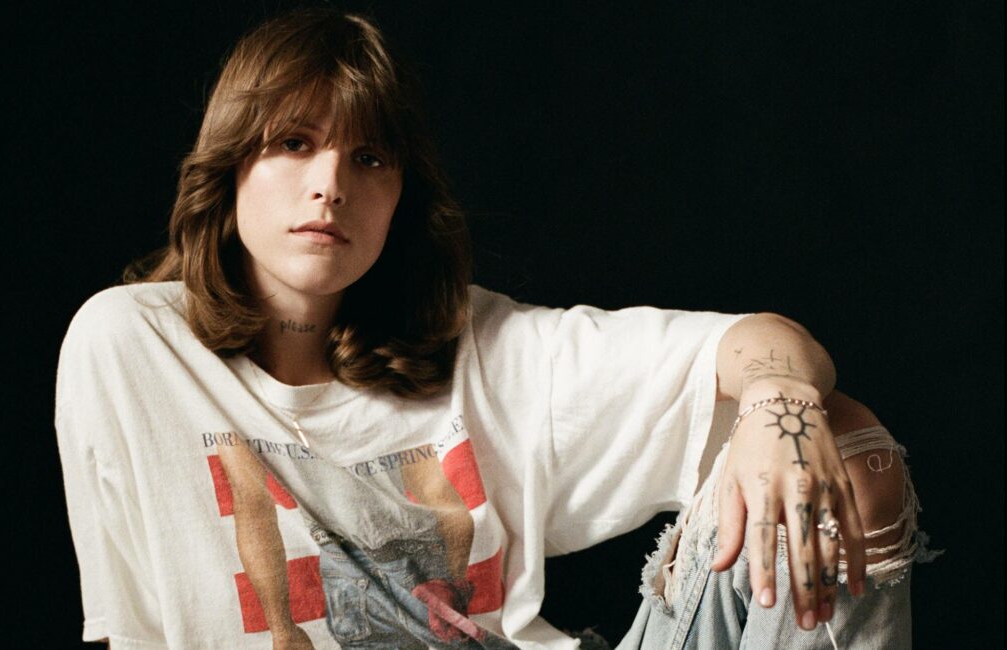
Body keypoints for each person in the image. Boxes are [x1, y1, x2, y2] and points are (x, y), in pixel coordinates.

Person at [55, 7, 936, 649]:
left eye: (368, 157)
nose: (330, 185)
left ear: (400, 196)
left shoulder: (479, 347)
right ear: (232, 163)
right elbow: (129, 628)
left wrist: (781, 400)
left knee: (844, 451)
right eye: (292, 144)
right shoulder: (131, 347)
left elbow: (758, 341)